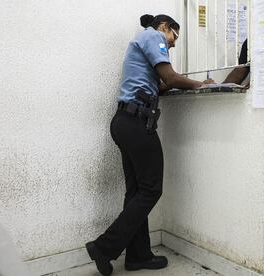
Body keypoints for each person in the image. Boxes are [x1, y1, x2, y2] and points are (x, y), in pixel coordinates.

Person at [85, 14, 213, 276]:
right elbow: (171, 77)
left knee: (136, 193)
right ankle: (104, 247)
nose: (174, 44)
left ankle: (138, 255)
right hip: (136, 123)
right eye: (174, 37)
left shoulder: (141, 42)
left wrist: (176, 84)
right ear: (164, 27)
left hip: (124, 121)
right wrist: (201, 83)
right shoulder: (153, 35)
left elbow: (161, 85)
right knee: (151, 190)